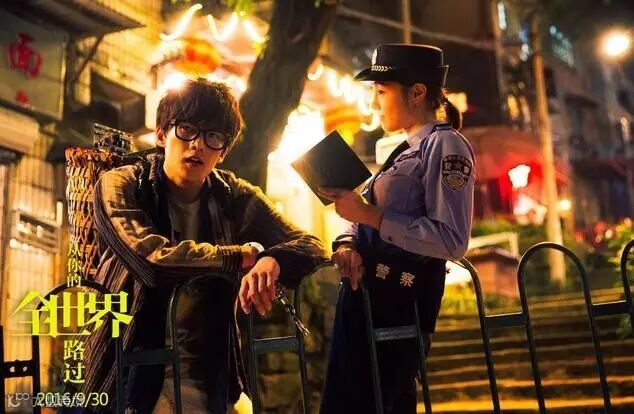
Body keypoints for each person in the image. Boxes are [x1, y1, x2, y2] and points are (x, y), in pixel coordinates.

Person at [75, 78, 327, 413]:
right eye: (186, 129)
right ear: (162, 134)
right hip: (131, 369)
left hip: (208, 375)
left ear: (223, 152)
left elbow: (311, 245)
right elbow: (152, 261)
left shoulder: (232, 196)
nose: (198, 145)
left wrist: (273, 259)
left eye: (213, 136)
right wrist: (240, 256)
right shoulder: (124, 184)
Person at [318, 44, 475, 414]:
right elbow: (363, 212)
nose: (375, 103)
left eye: (381, 91)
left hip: (400, 305)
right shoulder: (400, 149)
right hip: (366, 297)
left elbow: (452, 240)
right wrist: (346, 243)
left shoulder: (446, 146)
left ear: (417, 92)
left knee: (381, 401)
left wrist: (371, 216)